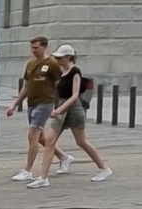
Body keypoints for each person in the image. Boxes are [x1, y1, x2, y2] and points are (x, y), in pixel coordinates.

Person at [28, 46, 111, 187]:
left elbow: (74, 95)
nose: (57, 60)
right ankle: (43, 178)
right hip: (61, 108)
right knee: (49, 141)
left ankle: (104, 168)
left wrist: (59, 110)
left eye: (60, 57)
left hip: (73, 109)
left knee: (81, 141)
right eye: (57, 57)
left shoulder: (74, 71)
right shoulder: (60, 71)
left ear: (68, 57)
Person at [4, 36, 69, 182]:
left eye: (36, 47)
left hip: (45, 103)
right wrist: (15, 104)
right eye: (32, 47)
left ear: (44, 47)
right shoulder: (30, 64)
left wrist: (60, 105)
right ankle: (63, 157)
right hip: (32, 103)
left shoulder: (52, 64)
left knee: (32, 135)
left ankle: (28, 170)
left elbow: (60, 84)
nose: (33, 50)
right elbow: (27, 85)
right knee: (39, 137)